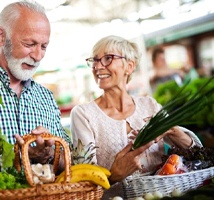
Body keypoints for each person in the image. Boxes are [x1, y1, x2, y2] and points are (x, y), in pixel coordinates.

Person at [70, 35, 202, 199]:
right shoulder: (84, 114)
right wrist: (114, 175)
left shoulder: (150, 105)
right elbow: (84, 183)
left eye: (108, 58)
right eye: (94, 60)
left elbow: (197, 153)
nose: (97, 66)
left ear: (129, 66)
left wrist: (173, 130)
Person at [0, 1, 70, 169]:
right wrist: (18, 157)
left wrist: (50, 154)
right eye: (29, 44)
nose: (38, 56)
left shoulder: (45, 97)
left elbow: (69, 162)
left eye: (43, 46)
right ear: (2, 37)